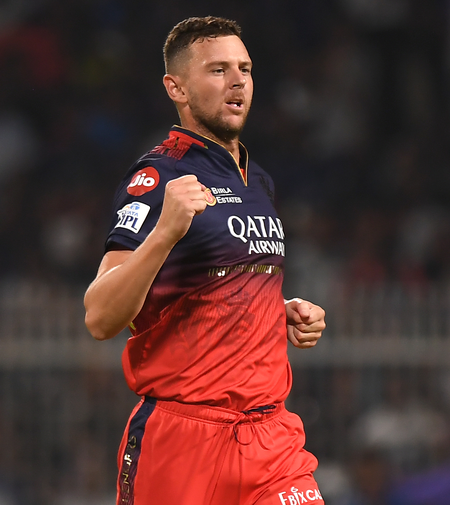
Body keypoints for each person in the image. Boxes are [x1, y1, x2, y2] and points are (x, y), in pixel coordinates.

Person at [84, 16, 326, 505]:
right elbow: (100, 316)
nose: (238, 81)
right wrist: (164, 233)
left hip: (271, 439)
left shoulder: (258, 181)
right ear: (176, 88)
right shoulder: (158, 176)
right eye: (218, 70)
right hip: (182, 440)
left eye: (245, 69)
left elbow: (214, 282)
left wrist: (277, 310)